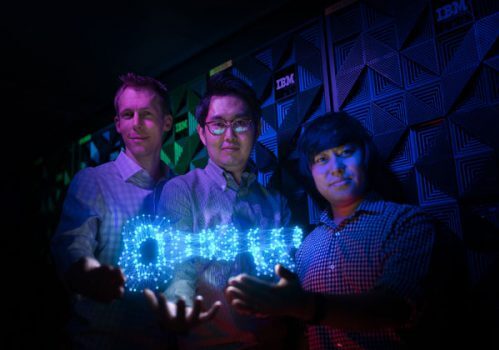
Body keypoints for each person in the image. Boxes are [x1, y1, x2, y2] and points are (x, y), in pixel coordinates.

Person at [226, 111, 461, 349]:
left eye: (345, 153)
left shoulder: (406, 223)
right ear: (310, 171)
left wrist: (305, 305)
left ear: (365, 157)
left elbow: (397, 307)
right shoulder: (308, 247)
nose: (335, 168)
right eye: (321, 159)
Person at [51, 73, 219, 350]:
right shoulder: (94, 181)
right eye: (127, 115)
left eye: (147, 114)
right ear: (117, 124)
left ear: (167, 122)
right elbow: (70, 247)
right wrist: (91, 274)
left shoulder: (183, 190)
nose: (136, 124)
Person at [157, 71, 293, 349]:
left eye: (240, 123)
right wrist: (178, 306)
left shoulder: (276, 203)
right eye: (218, 124)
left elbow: (287, 276)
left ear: (256, 129)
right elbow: (177, 272)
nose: (229, 135)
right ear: (202, 133)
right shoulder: (181, 191)